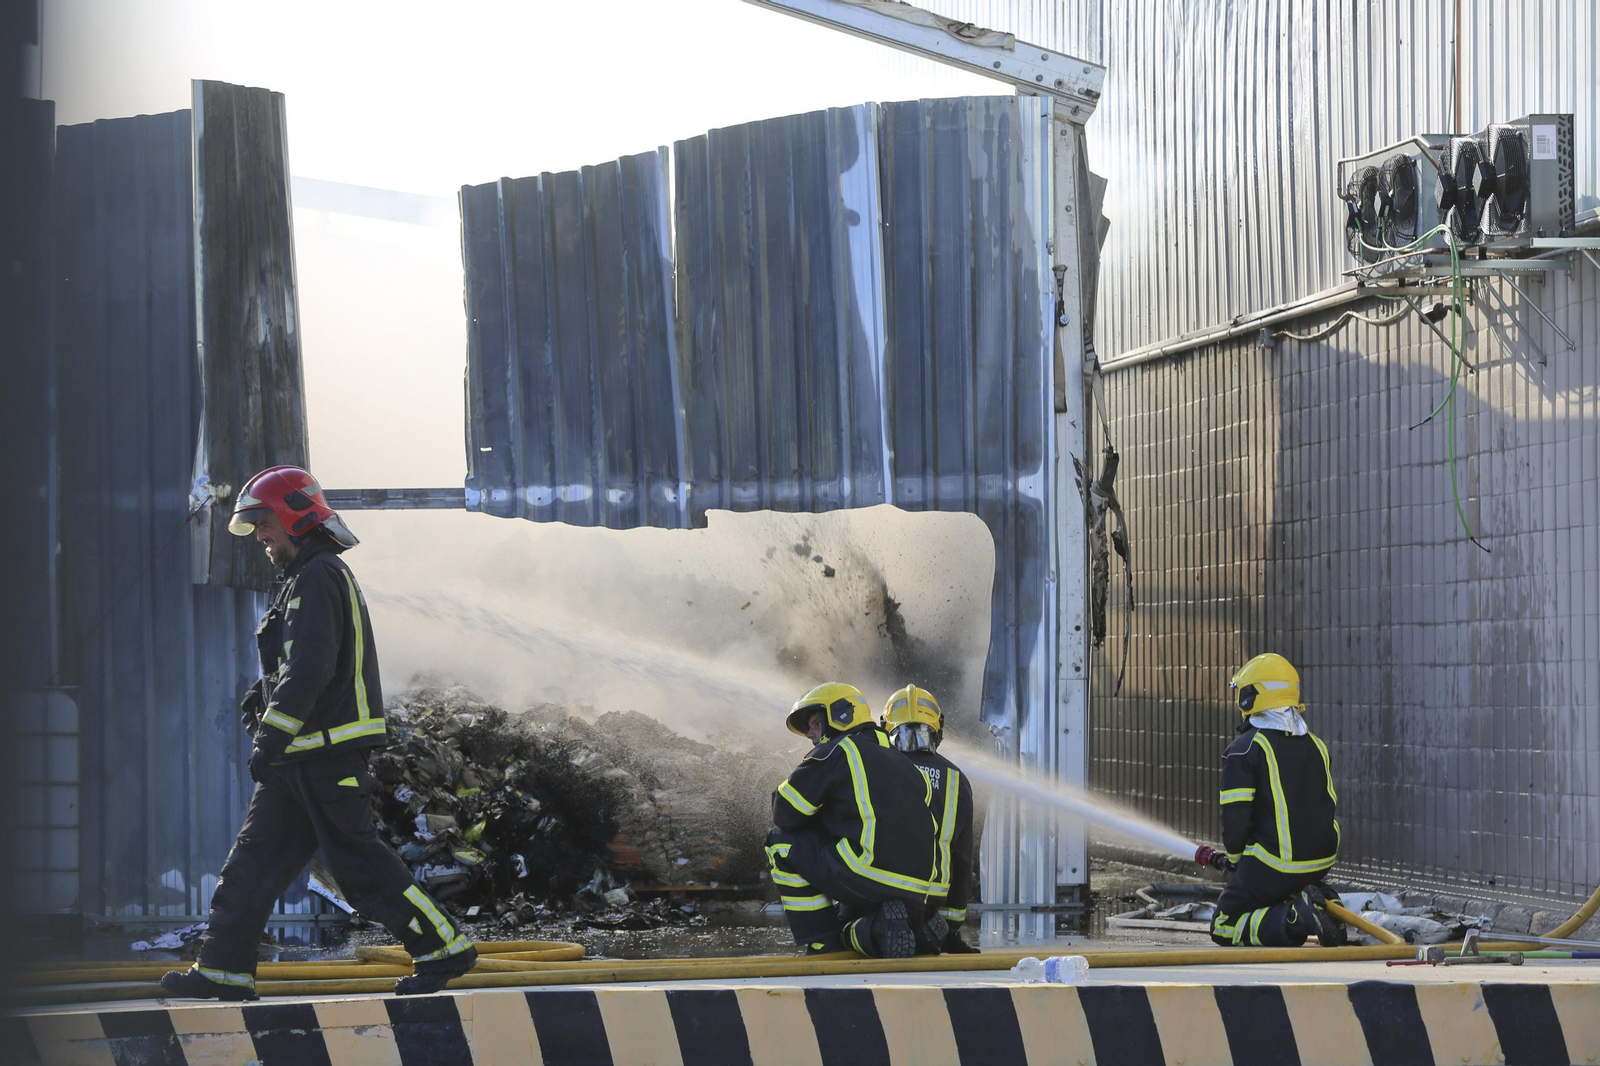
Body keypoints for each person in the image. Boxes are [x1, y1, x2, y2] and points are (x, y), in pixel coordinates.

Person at [162, 466, 477, 1001]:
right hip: (297, 761)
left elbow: (310, 670)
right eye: (256, 526)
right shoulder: (299, 579)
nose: (260, 536)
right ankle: (223, 970)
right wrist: (258, 703)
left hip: (325, 756)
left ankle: (445, 947)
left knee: (359, 866)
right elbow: (292, 668)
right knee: (251, 867)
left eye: (265, 524)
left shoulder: (318, 575)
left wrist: (270, 735)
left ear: (294, 517)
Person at [765, 682, 938, 957]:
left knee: (779, 842)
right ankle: (892, 928)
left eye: (814, 723)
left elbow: (785, 813)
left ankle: (822, 943)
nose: (811, 734)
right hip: (917, 890)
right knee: (845, 924)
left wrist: (807, 770)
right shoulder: (905, 764)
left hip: (865, 871)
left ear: (841, 715)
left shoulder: (836, 750)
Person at [1208, 653, 1347, 948]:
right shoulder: (1316, 745)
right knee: (1277, 887)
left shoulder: (1244, 750)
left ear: (1251, 698)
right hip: (1321, 861)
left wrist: (1235, 862)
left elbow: (1235, 821)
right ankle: (1322, 900)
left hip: (1275, 865)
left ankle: (1295, 918)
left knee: (1223, 925)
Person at [881, 684, 979, 955]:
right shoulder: (956, 779)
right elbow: (961, 859)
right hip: (933, 900)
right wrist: (951, 926)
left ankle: (868, 930)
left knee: (848, 930)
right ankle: (927, 929)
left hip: (881, 892)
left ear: (887, 727)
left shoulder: (876, 770)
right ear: (938, 729)